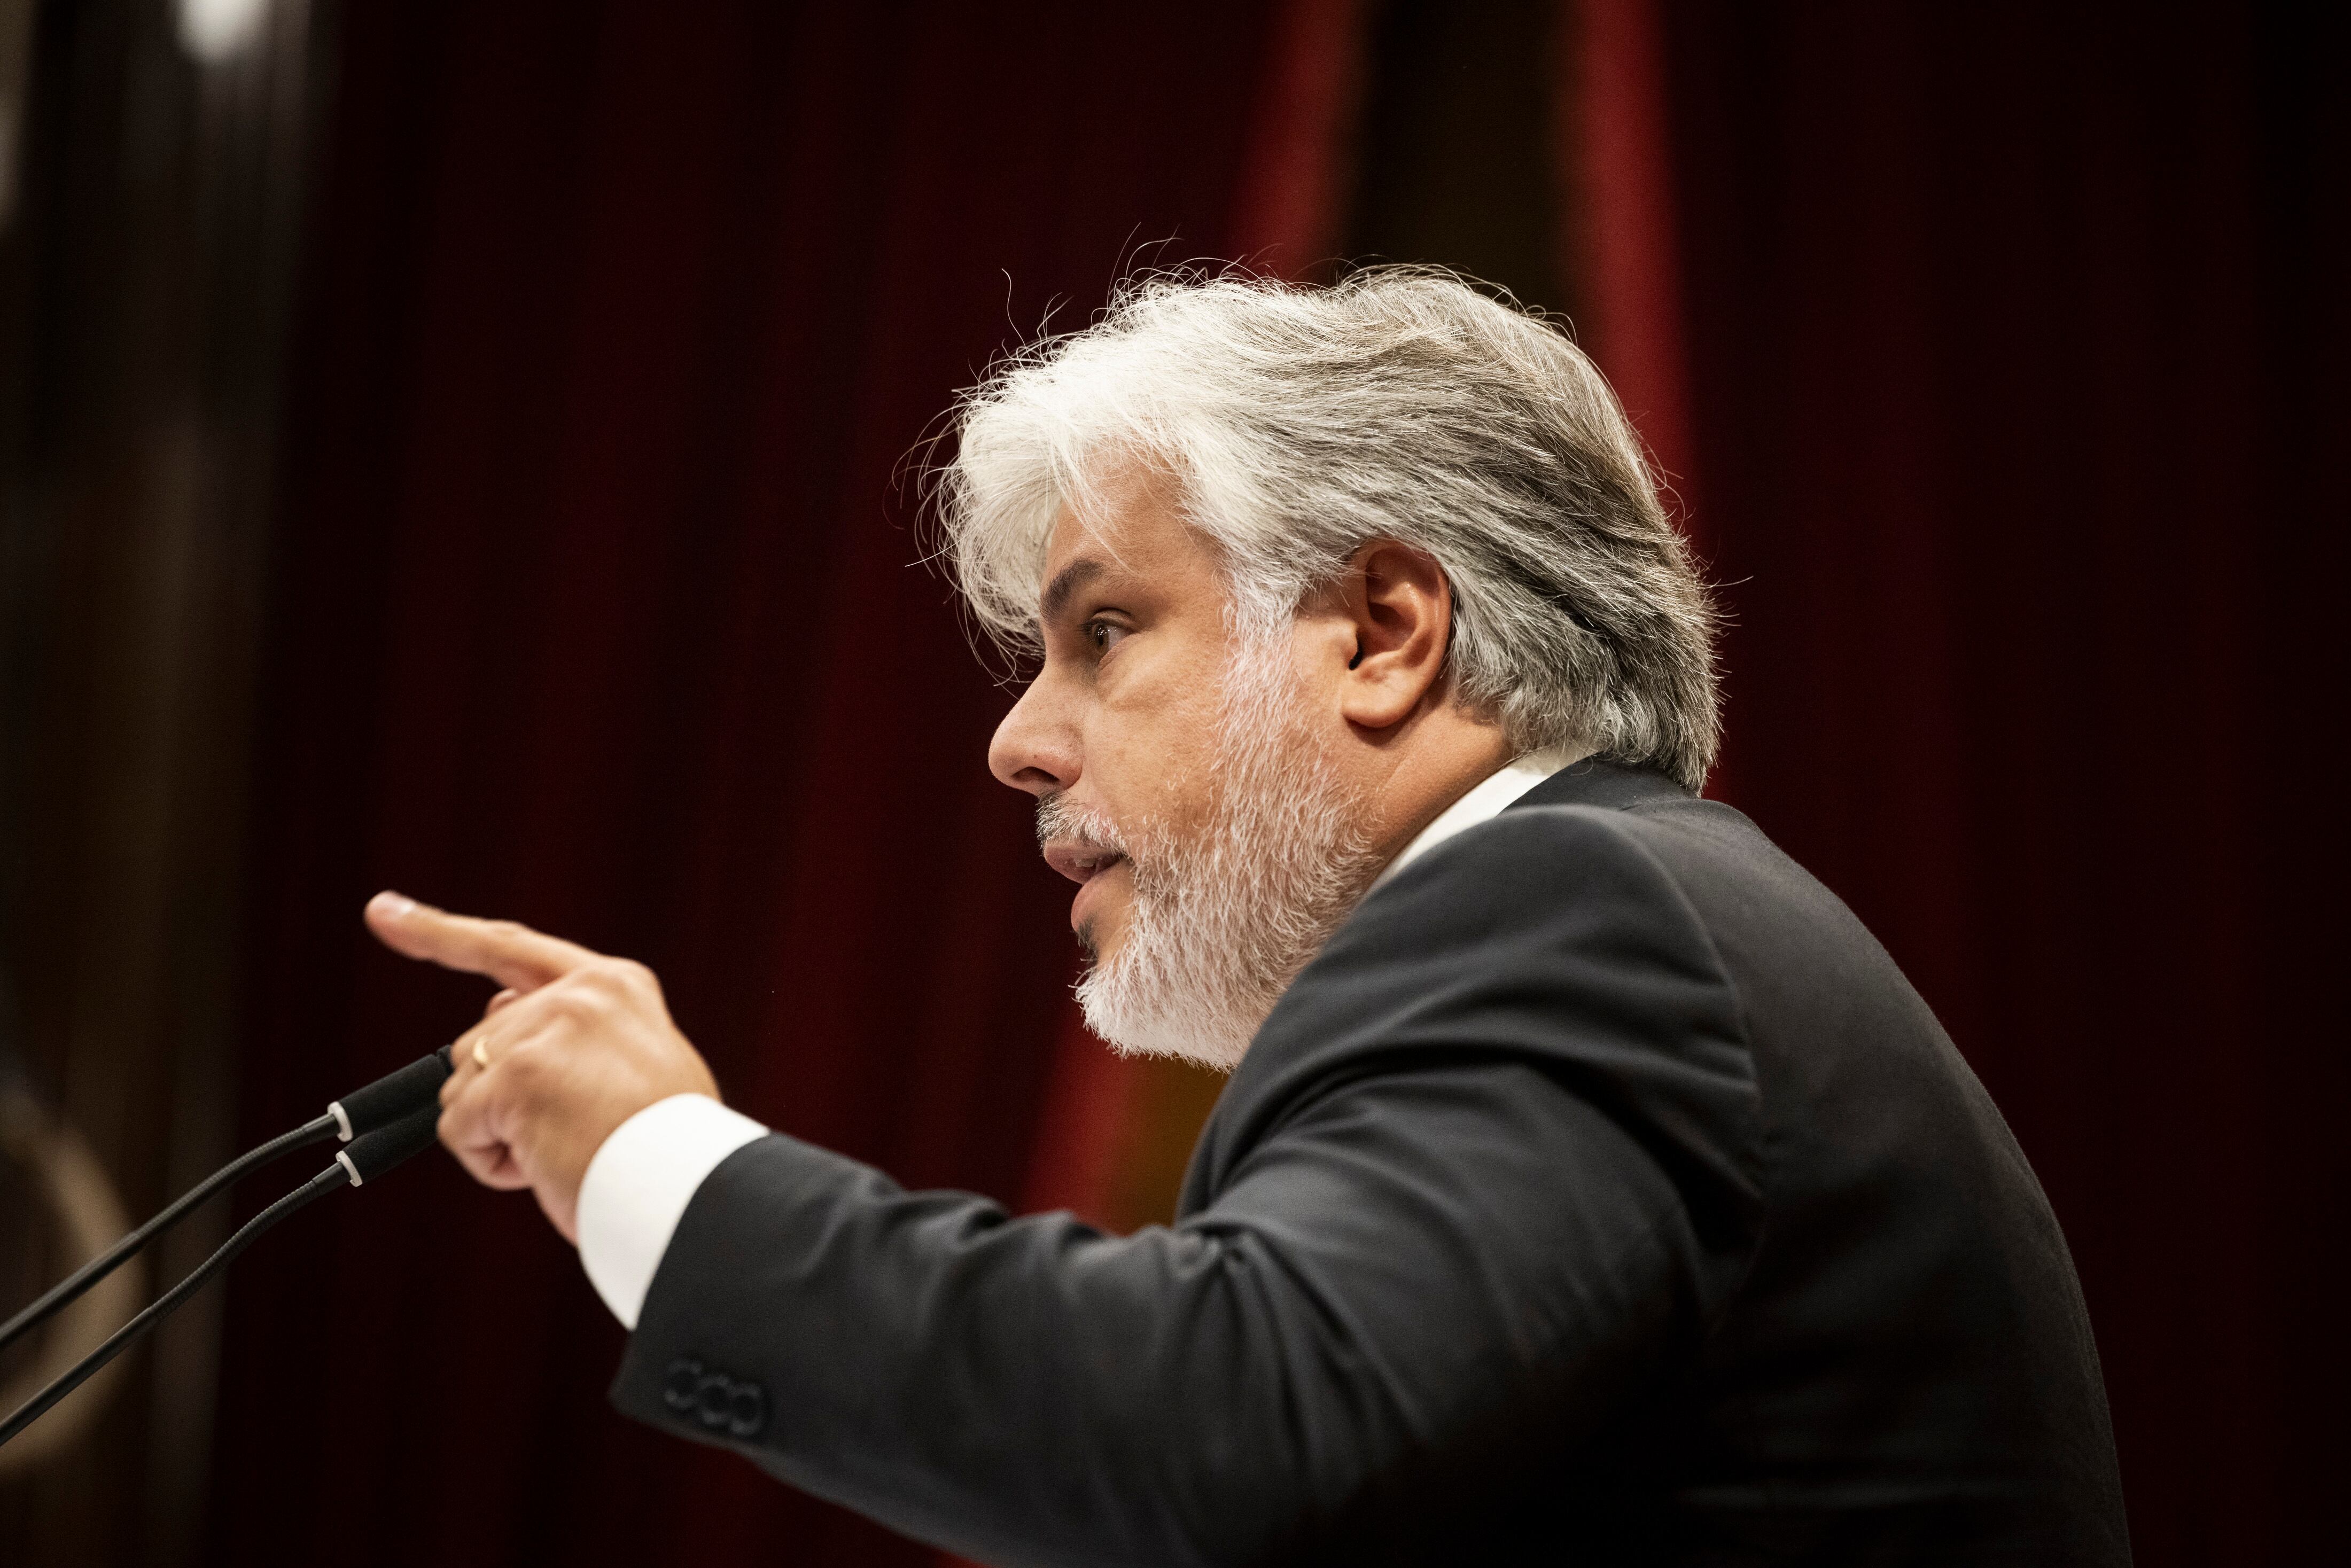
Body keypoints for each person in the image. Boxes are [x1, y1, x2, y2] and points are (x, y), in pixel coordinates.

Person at [364, 270, 2130, 1565]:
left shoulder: (1574, 915)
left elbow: (1230, 1434)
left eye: (1104, 631)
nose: (1014, 740)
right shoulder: (1628, 924)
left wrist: (655, 1160)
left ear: (1382, 634)